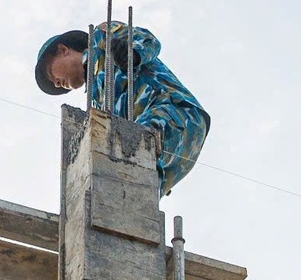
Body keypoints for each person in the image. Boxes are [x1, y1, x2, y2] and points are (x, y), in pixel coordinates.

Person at [34, 22, 210, 192]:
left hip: (172, 112)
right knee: (130, 188)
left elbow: (147, 40)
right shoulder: (98, 100)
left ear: (63, 50)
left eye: (51, 73)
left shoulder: (99, 38)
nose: (56, 83)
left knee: (136, 146)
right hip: (170, 151)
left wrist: (131, 53)